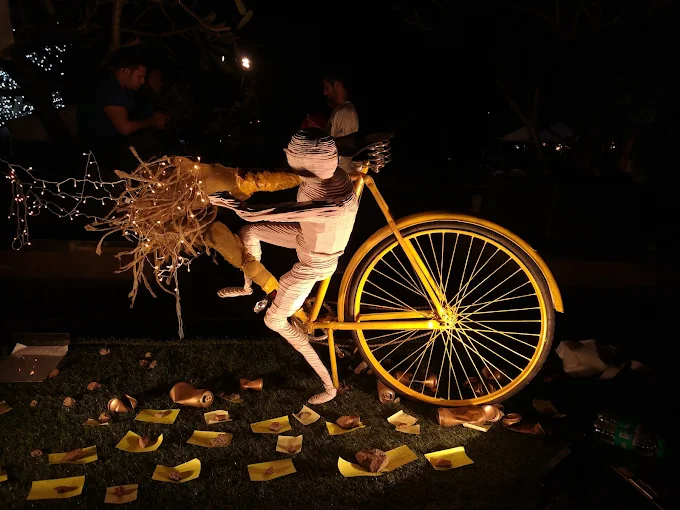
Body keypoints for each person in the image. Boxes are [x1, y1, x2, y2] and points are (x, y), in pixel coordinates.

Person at [211, 129, 359, 404]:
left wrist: (225, 201)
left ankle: (329, 387)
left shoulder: (332, 202)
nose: (287, 158)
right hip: (306, 236)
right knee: (249, 233)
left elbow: (258, 212)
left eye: (293, 157)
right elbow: (258, 216)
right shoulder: (334, 175)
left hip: (314, 262)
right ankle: (247, 286)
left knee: (274, 321)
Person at [77, 52, 167, 175]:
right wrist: (152, 122)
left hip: (114, 144)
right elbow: (124, 128)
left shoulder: (126, 89)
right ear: (126, 72)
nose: (142, 81)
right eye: (139, 76)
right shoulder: (109, 88)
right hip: (99, 150)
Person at [323, 73, 359, 173]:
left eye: (327, 88)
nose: (325, 93)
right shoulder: (340, 110)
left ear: (337, 85)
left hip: (340, 174)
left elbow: (343, 148)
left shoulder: (344, 112)